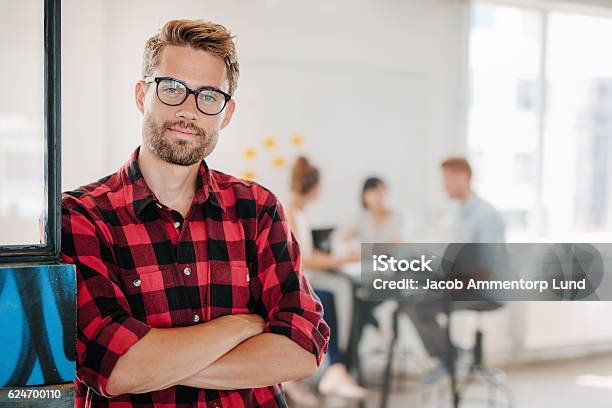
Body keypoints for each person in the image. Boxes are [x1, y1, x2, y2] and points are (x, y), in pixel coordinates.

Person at [61, 20, 329, 408]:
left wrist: (157, 362)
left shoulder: (258, 209)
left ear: (227, 113)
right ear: (142, 96)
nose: (189, 110)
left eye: (208, 96)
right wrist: (242, 325)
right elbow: (116, 367)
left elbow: (302, 348)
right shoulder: (81, 217)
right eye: (172, 89)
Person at [405, 157, 506, 371]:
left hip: (485, 289)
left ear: (464, 177)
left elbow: (485, 268)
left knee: (418, 304)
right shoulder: (461, 212)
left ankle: (448, 358)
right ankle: (449, 356)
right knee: (410, 297)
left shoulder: (486, 215)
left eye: (448, 178)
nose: (444, 184)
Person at [283, 156, 367, 404]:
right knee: (328, 299)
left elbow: (307, 251)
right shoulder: (290, 212)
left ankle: (336, 370)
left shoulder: (299, 212)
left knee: (336, 295)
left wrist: (342, 257)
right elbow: (303, 259)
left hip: (303, 283)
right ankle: (335, 370)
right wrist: (342, 261)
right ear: (315, 187)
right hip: (290, 289)